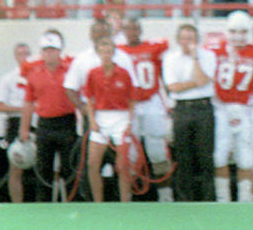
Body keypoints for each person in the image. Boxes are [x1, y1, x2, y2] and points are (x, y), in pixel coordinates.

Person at [206, 11, 253, 202]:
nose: (238, 36)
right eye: (234, 31)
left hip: (245, 109)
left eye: (243, 31)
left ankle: (245, 201)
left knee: (246, 158)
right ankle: (223, 200)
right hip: (220, 108)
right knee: (219, 157)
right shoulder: (214, 49)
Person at [117, 18, 173, 202]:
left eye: (135, 28)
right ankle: (132, 197)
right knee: (131, 153)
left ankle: (166, 197)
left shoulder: (155, 47)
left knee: (157, 150)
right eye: (128, 28)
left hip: (151, 101)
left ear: (140, 30)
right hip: (129, 105)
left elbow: (166, 70)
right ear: (123, 31)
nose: (132, 32)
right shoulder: (119, 52)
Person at [162, 23, 217, 201]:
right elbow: (173, 87)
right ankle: (185, 200)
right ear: (178, 40)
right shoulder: (170, 58)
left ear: (197, 40)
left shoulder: (208, 56)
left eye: (191, 39)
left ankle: (207, 200)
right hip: (182, 109)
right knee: (183, 157)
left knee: (205, 156)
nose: (187, 43)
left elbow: (203, 79)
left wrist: (195, 60)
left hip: (203, 108)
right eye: (184, 39)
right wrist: (196, 82)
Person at [19, 32, 74, 202]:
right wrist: (24, 128)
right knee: (43, 169)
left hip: (67, 123)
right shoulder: (34, 74)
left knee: (69, 167)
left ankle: (74, 204)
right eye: (46, 50)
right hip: (45, 125)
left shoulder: (70, 71)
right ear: (41, 52)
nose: (50, 54)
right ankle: (43, 207)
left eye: (53, 50)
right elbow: (28, 103)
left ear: (59, 51)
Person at [83, 35, 135, 203]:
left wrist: (129, 123)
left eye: (109, 51)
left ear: (113, 53)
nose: (106, 54)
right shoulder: (93, 74)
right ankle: (99, 202)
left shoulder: (124, 74)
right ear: (98, 53)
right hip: (101, 117)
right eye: (102, 51)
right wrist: (92, 120)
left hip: (120, 117)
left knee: (122, 166)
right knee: (92, 163)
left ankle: (124, 203)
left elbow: (132, 100)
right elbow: (89, 100)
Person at [0, 42, 31, 202]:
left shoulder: (38, 76)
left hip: (37, 124)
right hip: (16, 124)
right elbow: (0, 106)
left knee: (42, 167)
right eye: (21, 54)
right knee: (16, 167)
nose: (24, 57)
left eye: (27, 53)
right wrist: (21, 109)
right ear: (16, 56)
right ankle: (18, 205)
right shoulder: (8, 79)